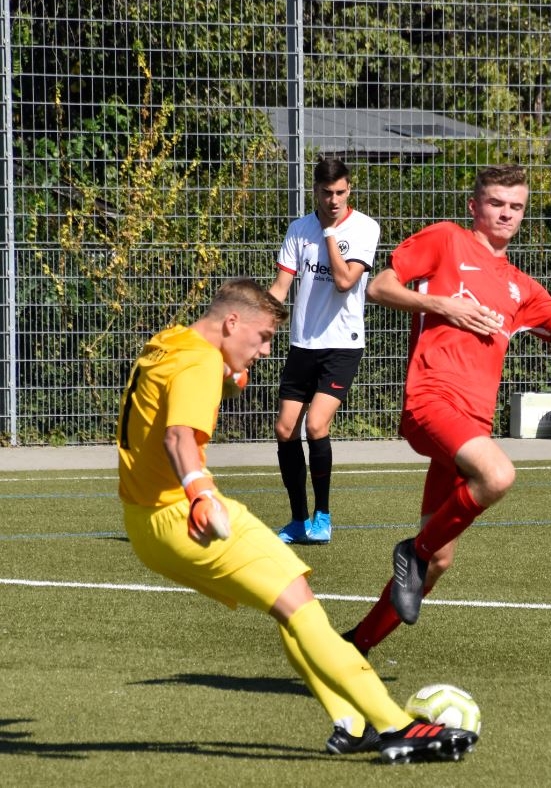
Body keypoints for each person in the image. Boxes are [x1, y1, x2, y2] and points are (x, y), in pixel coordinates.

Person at [116, 279, 473, 764]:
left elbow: (169, 394)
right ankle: (397, 725)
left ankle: (349, 723)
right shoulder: (199, 362)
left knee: (288, 605)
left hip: (144, 523)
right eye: (261, 337)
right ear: (231, 323)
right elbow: (178, 437)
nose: (265, 350)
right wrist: (200, 493)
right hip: (185, 512)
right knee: (303, 608)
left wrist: (227, 372)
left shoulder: (171, 343)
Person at [345, 164, 551, 646]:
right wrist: (445, 305)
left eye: (515, 207)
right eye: (496, 203)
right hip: (430, 400)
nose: (506, 214)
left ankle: (354, 646)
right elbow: (378, 286)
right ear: (475, 205)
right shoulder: (447, 239)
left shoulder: (521, 286)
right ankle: (412, 552)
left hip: (471, 424)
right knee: (497, 476)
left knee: (440, 562)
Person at [268, 157, 380, 545]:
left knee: (316, 425)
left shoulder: (365, 227)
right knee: (285, 429)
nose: (333, 200)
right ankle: (298, 520)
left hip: (342, 345)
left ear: (349, 190)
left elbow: (346, 280)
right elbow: (280, 289)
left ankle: (323, 516)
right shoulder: (299, 229)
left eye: (340, 193)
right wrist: (259, 329)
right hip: (303, 343)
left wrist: (330, 234)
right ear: (314, 191)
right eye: (326, 193)